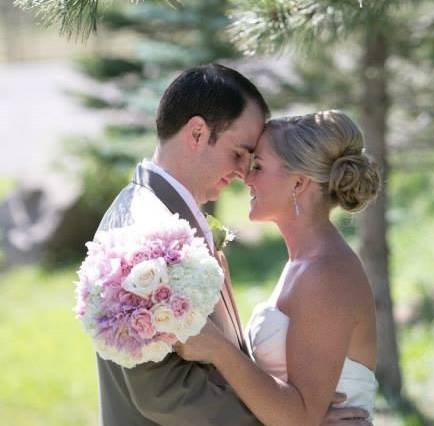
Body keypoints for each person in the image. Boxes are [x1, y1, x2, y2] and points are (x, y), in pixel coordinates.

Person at [95, 64, 370, 425]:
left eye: (254, 161)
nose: (244, 173)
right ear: (197, 134)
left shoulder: (168, 216)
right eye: (240, 153)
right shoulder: (146, 233)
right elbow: (163, 392)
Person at [176, 110, 380, 426]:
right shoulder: (306, 262)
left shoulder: (325, 275)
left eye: (258, 166)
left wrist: (217, 348)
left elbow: (299, 417)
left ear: (299, 182)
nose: (246, 177)